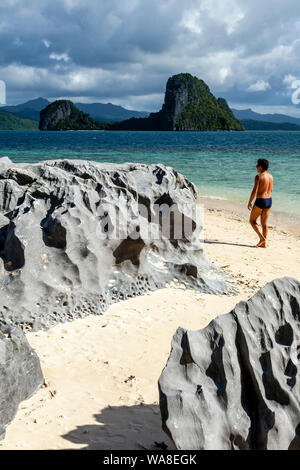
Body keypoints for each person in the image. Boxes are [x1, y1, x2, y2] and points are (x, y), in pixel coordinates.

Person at [248, 159, 273, 248]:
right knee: (264, 224)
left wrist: (250, 201)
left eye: (257, 165)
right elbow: (271, 190)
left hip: (261, 200)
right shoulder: (271, 176)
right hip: (269, 200)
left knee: (252, 221)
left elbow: (255, 190)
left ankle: (262, 238)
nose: (256, 167)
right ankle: (264, 244)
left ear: (261, 166)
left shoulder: (258, 176)